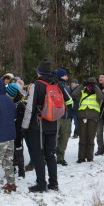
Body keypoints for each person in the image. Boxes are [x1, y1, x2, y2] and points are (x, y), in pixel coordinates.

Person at [22, 60, 73, 193]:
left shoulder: (36, 85)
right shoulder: (58, 84)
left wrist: (24, 127)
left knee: (38, 155)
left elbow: (30, 108)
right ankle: (54, 183)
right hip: (53, 123)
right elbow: (70, 102)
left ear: (39, 72)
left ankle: (41, 184)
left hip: (37, 126)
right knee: (50, 155)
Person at [71, 77, 104, 163]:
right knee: (82, 138)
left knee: (90, 138)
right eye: (89, 83)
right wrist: (82, 85)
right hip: (82, 117)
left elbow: (101, 97)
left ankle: (89, 157)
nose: (90, 85)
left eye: (92, 83)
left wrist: (95, 86)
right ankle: (81, 158)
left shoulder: (97, 92)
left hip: (93, 118)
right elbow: (74, 94)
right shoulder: (83, 91)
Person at [6, 83, 26, 177]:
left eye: (7, 94)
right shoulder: (9, 102)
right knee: (9, 151)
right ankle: (12, 168)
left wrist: (18, 135)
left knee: (18, 151)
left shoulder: (19, 105)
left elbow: (20, 122)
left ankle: (21, 171)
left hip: (17, 132)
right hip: (9, 131)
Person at [55, 69, 73, 166]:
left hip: (67, 116)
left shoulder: (67, 87)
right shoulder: (55, 85)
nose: (67, 77)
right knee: (54, 138)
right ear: (62, 76)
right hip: (57, 117)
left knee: (64, 137)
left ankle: (61, 158)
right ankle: (50, 156)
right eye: (66, 75)